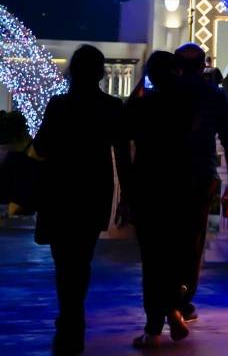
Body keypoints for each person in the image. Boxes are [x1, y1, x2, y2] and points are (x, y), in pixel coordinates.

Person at [32, 45, 129, 355]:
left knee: (63, 259)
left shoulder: (59, 105)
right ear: (100, 72)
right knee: (82, 255)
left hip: (60, 188)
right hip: (92, 188)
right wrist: (127, 197)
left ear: (73, 70)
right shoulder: (112, 107)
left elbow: (43, 145)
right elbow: (123, 157)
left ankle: (69, 313)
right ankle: (75, 312)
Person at [173, 44, 228, 330]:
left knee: (166, 239)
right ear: (204, 65)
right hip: (201, 175)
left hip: (168, 175)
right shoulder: (214, 95)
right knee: (193, 240)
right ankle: (183, 299)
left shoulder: (166, 94)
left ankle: (167, 299)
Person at [126, 50, 189, 346]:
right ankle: (174, 308)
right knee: (174, 256)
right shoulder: (187, 105)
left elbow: (127, 118)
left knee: (153, 260)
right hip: (179, 187)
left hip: (148, 187)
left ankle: (155, 326)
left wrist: (142, 83)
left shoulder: (144, 106)